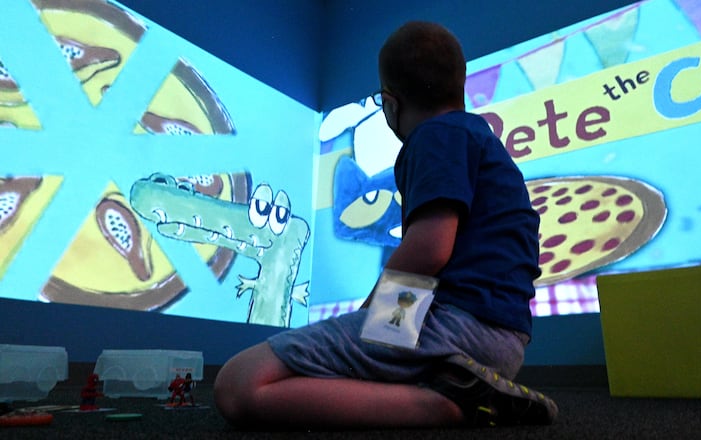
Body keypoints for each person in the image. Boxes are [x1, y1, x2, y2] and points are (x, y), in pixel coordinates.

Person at [213, 20, 557, 429]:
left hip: (451, 329)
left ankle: (446, 406)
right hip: (501, 345)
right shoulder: (476, 137)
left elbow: (431, 249)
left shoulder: (434, 136)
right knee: (329, 370)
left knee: (238, 384)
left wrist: (371, 319)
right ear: (460, 86)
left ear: (391, 103)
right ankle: (453, 392)